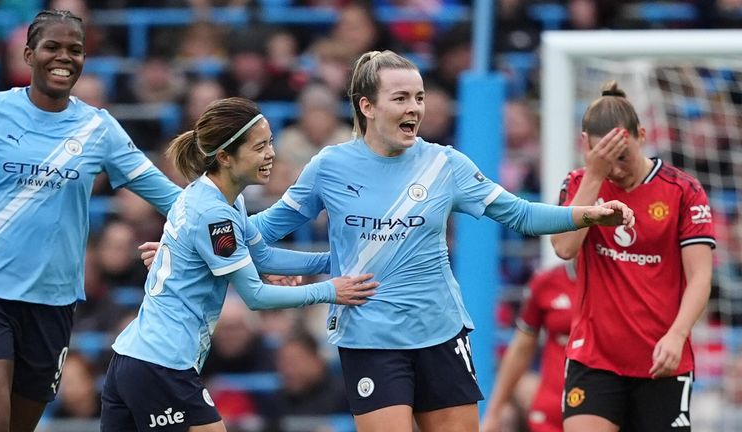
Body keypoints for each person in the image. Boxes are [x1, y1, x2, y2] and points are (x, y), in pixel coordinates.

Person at [246, 50, 635, 432]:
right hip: (369, 337)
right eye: (400, 98)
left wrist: (588, 213)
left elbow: (522, 215)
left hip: (440, 331)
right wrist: (274, 259)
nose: (414, 108)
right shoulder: (329, 166)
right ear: (367, 106)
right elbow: (259, 233)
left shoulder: (445, 164)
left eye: (419, 97)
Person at [100, 96, 379, 432]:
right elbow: (255, 296)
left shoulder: (220, 198)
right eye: (259, 147)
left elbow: (262, 256)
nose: (271, 154)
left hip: (135, 361)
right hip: (161, 365)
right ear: (225, 157)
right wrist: (330, 291)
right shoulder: (215, 214)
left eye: (271, 143)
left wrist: (336, 263)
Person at [0, 10, 183, 432]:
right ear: (29, 54)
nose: (63, 57)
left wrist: (232, 244)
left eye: (75, 50)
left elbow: (171, 198)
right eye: (52, 47)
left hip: (53, 304)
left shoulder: (98, 129)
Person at [551, 81, 715, 432]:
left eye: (622, 157)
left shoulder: (684, 191)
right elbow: (564, 249)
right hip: (593, 358)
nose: (617, 170)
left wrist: (677, 334)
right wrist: (595, 176)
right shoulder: (579, 184)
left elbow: (701, 276)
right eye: (605, 159)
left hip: (662, 359)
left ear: (641, 135)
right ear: (586, 146)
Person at [480, 262, 576, 432]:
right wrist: (493, 413)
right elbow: (521, 348)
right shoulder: (546, 282)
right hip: (549, 412)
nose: (554, 237)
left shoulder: (615, 283)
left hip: (597, 408)